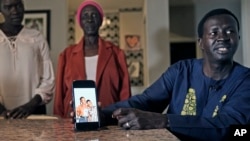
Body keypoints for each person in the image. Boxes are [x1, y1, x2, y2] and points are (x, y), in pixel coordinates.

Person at [86, 8, 250, 141]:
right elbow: (146, 101)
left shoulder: (245, 80)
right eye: (214, 33)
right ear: (201, 42)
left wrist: (164, 120)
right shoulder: (181, 71)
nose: (222, 38)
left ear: (238, 38)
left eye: (230, 32)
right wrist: (102, 115)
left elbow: (231, 128)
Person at [53, 0, 131, 118]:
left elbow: (125, 92)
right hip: (72, 121)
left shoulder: (116, 53)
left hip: (110, 120)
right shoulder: (66, 55)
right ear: (80, 22)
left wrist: (125, 118)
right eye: (85, 16)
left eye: (94, 15)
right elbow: (59, 96)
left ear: (100, 21)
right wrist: (58, 123)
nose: (89, 19)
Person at [0, 0, 55, 119]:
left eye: (18, 5)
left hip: (34, 113)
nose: (15, 11)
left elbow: (48, 79)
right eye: (8, 7)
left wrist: (30, 105)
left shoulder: (37, 37)